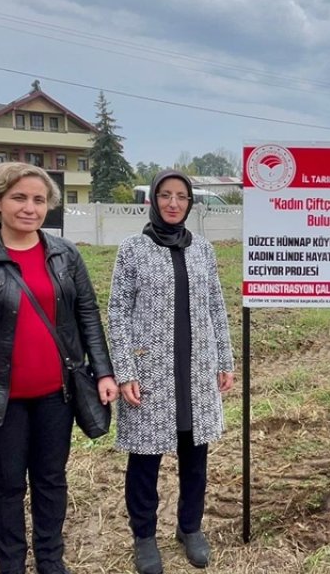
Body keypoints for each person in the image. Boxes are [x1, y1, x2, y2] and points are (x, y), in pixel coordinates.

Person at [0, 162, 118, 574]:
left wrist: (104, 372)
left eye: (39, 199)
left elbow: (87, 313)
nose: (30, 208)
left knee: (51, 480)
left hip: (58, 394)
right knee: (7, 485)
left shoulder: (64, 253)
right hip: (1, 400)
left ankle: (52, 562)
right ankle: (12, 565)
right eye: (19, 197)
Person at [109, 170, 235, 574]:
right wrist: (125, 370)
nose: (173, 203)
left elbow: (216, 307)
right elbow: (117, 312)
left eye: (181, 196)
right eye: (166, 195)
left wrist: (224, 360)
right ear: (154, 200)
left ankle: (190, 527)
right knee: (145, 461)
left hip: (195, 373)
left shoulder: (203, 250)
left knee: (195, 457)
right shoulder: (133, 249)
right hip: (151, 374)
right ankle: (144, 536)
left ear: (190, 203)